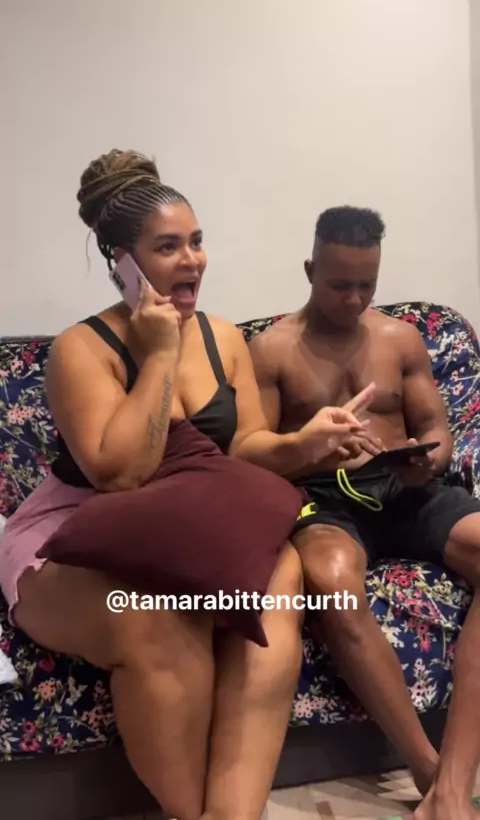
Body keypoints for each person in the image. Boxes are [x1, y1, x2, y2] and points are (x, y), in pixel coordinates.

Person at [0, 154, 371, 820]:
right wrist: (161, 354)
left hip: (187, 524)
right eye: (168, 247)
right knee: (150, 615)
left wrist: (304, 444)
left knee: (279, 574)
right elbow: (121, 475)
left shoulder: (224, 337)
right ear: (122, 261)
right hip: (75, 534)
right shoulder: (81, 350)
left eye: (197, 241)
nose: (192, 259)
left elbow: (246, 450)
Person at [248, 205, 480, 820]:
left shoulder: (401, 338)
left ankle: (454, 781)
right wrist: (310, 447)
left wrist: (428, 459)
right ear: (309, 270)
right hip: (324, 496)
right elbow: (250, 454)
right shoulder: (271, 350)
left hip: (407, 487)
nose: (353, 299)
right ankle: (429, 773)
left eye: (366, 285)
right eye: (338, 284)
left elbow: (436, 427)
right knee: (330, 582)